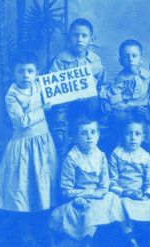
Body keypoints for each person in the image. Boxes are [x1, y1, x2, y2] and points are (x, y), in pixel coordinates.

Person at [0, 51, 58, 247]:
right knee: (23, 189)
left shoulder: (39, 86)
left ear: (36, 72)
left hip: (43, 144)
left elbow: (59, 90)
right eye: (20, 71)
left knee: (43, 187)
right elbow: (22, 121)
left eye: (30, 71)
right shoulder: (11, 95)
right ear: (13, 73)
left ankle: (44, 231)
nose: (25, 75)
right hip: (23, 147)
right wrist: (43, 110)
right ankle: (24, 235)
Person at [50, 118, 123, 247]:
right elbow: (66, 190)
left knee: (113, 198)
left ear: (98, 135)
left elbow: (104, 186)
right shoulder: (72, 158)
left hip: (98, 196)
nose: (89, 137)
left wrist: (96, 194)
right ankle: (85, 245)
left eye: (93, 132)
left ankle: (124, 239)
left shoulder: (101, 156)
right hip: (78, 199)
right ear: (76, 137)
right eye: (84, 133)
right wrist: (87, 195)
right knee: (91, 207)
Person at [47, 18, 106, 158]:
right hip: (64, 102)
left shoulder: (95, 60)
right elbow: (53, 85)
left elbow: (102, 83)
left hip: (88, 101)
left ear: (91, 39)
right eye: (75, 35)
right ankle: (60, 152)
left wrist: (100, 95)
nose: (79, 39)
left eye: (84, 36)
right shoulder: (60, 59)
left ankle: (90, 148)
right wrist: (70, 94)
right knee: (59, 123)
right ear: (68, 38)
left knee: (94, 103)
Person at [109, 118, 150, 247]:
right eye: (128, 133)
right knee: (120, 207)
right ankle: (131, 242)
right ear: (122, 135)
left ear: (143, 137)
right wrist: (125, 192)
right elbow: (111, 182)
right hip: (124, 195)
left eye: (137, 134)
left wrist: (146, 195)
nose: (133, 137)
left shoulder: (145, 156)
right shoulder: (116, 154)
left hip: (141, 195)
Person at [100, 40, 150, 152]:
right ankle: (119, 153)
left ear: (141, 59)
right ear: (121, 61)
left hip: (143, 109)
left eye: (134, 56)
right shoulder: (119, 80)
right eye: (126, 57)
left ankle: (147, 154)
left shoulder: (147, 76)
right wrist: (131, 108)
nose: (130, 59)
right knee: (120, 122)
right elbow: (115, 102)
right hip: (126, 111)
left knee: (148, 128)